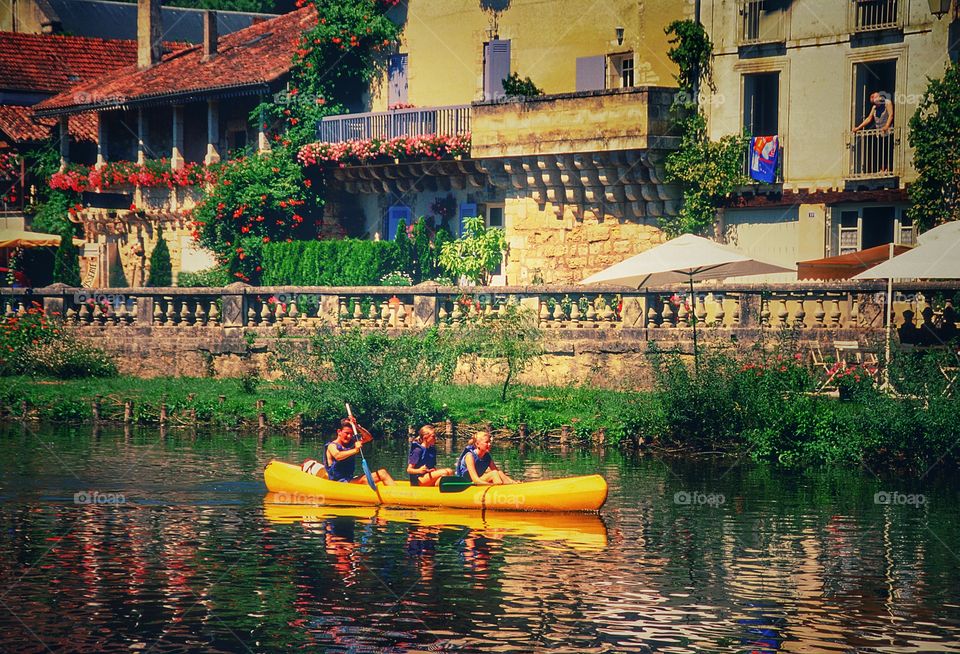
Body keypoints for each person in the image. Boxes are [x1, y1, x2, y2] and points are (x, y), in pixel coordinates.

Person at [314, 417, 396, 485]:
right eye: (346, 433)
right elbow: (338, 456)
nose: (349, 436)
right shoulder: (331, 446)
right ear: (339, 432)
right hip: (338, 483)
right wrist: (355, 450)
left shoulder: (352, 442)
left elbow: (368, 438)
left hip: (349, 479)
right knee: (382, 473)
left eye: (351, 434)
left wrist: (357, 426)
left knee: (383, 472)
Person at [853, 91, 894, 174]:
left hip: (888, 133)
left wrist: (887, 126)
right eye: (874, 103)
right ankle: (882, 169)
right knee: (880, 151)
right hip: (879, 133)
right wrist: (858, 128)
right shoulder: (874, 107)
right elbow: (869, 118)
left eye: (877, 102)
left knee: (887, 150)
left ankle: (888, 168)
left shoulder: (887, 103)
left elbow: (891, 115)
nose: (876, 104)